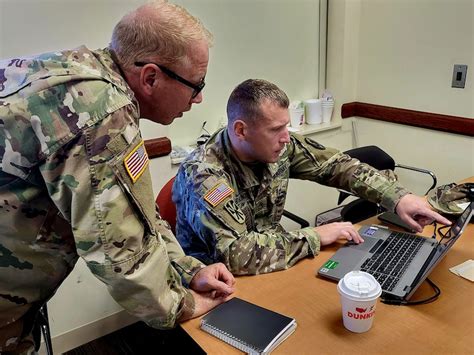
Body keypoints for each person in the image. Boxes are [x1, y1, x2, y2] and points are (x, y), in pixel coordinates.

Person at [0, 1, 236, 353]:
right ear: (151, 76)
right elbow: (120, 254)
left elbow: (136, 213)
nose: (199, 97)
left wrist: (187, 269)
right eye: (196, 84)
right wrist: (181, 303)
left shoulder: (74, 72)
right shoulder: (102, 113)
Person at [173, 79, 451, 275]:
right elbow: (236, 255)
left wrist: (398, 198)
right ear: (241, 130)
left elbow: (336, 166)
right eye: (275, 129)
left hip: (275, 260)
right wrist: (316, 235)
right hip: (220, 285)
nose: (286, 138)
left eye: (287, 126)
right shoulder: (205, 174)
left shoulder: (282, 146)